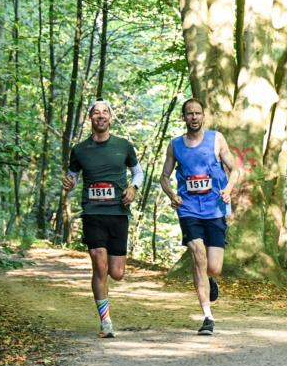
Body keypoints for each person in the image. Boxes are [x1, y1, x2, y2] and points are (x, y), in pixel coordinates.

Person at [62, 99, 144, 338]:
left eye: (105, 112)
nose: (100, 116)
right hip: (93, 212)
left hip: (118, 213)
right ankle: (105, 321)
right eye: (96, 112)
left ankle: (105, 287)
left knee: (116, 273)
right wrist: (69, 184)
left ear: (110, 117)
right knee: (99, 265)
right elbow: (72, 177)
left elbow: (138, 172)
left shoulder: (123, 146)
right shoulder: (80, 150)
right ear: (90, 118)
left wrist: (133, 188)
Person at [159, 97, 242, 335]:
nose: (194, 117)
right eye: (189, 113)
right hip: (189, 210)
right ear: (184, 117)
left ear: (203, 116)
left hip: (214, 208)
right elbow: (164, 177)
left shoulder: (216, 139)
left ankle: (210, 279)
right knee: (198, 255)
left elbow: (235, 169)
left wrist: (228, 189)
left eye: (197, 113)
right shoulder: (175, 145)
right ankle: (207, 316)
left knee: (213, 267)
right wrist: (172, 195)